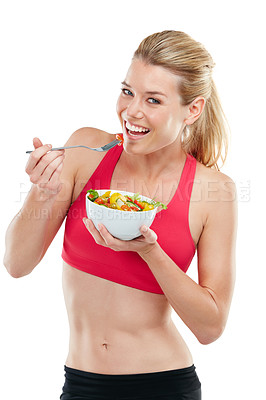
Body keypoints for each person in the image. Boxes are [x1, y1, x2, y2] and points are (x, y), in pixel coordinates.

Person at [4, 30, 237, 400]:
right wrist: (42, 192)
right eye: (128, 91)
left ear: (193, 109)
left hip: (164, 386)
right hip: (80, 384)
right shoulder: (87, 151)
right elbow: (16, 264)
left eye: (154, 100)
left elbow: (211, 326)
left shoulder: (215, 192)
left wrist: (149, 250)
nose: (132, 111)